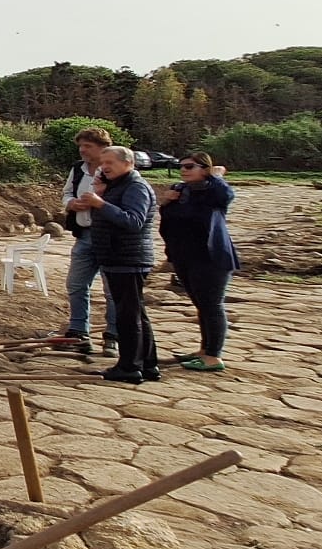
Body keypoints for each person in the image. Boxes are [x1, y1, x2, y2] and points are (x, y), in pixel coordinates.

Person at [73, 145, 161, 384]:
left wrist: (101, 203)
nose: (105, 167)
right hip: (116, 257)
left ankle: (130, 366)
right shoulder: (118, 186)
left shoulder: (136, 187)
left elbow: (133, 221)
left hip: (128, 259)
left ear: (128, 163)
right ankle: (148, 363)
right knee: (135, 313)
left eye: (110, 162)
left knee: (128, 316)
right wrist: (102, 192)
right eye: (103, 163)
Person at [158, 152, 237, 372]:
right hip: (185, 256)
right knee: (201, 305)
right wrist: (165, 202)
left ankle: (214, 355)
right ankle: (204, 349)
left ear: (205, 169)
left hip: (210, 258)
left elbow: (226, 195)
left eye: (190, 166)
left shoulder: (214, 191)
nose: (183, 170)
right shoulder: (180, 190)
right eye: (180, 166)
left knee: (212, 305)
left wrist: (217, 176)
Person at [49, 127, 118, 351]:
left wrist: (100, 203)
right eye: (81, 146)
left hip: (110, 236)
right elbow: (67, 193)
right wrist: (71, 203)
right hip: (84, 233)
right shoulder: (78, 169)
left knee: (112, 289)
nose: (82, 150)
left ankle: (113, 336)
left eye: (87, 146)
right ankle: (79, 332)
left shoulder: (114, 170)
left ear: (102, 148)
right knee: (76, 284)